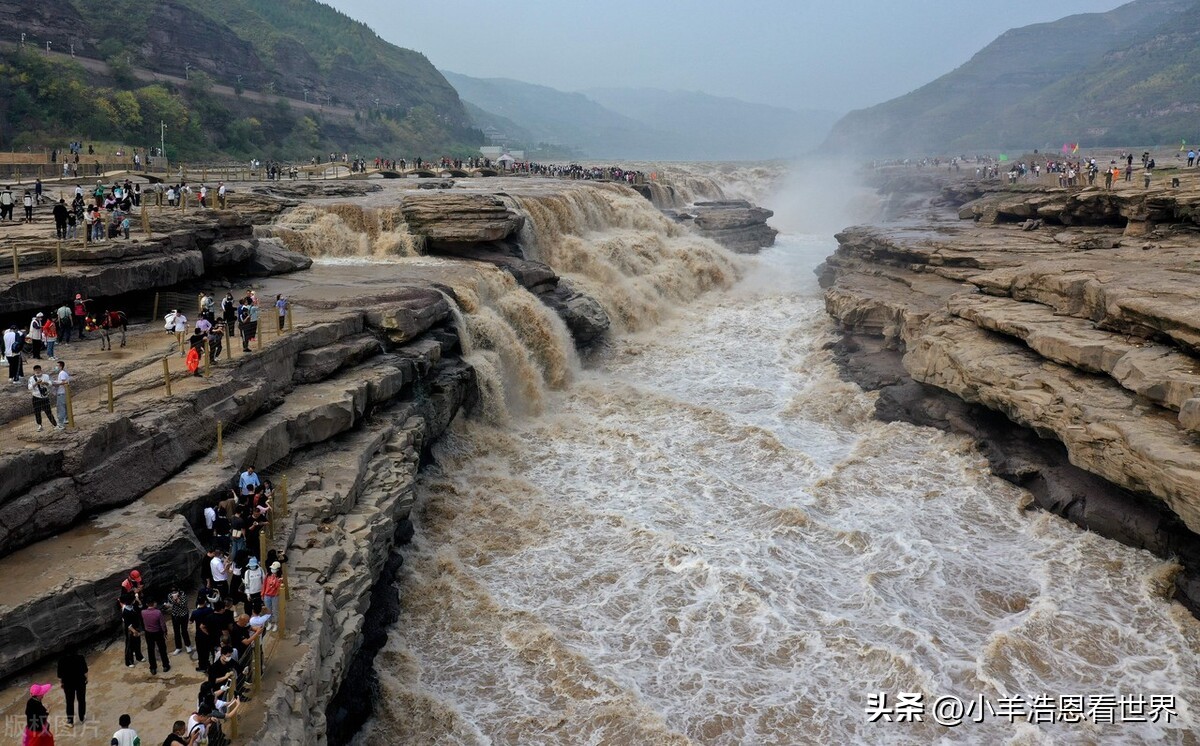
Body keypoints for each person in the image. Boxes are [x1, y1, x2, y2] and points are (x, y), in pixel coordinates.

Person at [56, 648, 87, 726]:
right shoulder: (80, 658)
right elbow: (85, 671)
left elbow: (60, 676)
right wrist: (86, 679)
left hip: (68, 684)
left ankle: (70, 721)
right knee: (81, 699)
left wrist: (62, 683)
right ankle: (82, 718)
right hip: (80, 682)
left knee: (69, 702)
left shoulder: (61, 661)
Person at [141, 598, 171, 675]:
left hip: (148, 633)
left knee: (150, 650)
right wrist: (165, 632)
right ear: (154, 603)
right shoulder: (158, 612)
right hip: (158, 632)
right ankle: (165, 665)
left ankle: (153, 668)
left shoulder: (143, 612)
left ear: (147, 604)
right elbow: (162, 624)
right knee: (162, 649)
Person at [28, 364, 58, 432]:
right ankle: (40, 425)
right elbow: (29, 387)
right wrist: (36, 383)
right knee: (37, 412)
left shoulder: (46, 376)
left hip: (45, 397)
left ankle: (55, 424)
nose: (37, 371)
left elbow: (50, 383)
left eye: (38, 370)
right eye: (36, 370)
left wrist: (45, 383)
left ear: (41, 370)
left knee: (48, 411)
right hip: (36, 397)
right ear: (34, 371)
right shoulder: (31, 378)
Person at [166, 584, 194, 655]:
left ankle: (188, 645)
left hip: (184, 614)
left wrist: (177, 599)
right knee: (176, 632)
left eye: (175, 591)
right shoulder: (169, 595)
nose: (174, 593)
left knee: (184, 631)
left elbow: (183, 605)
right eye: (172, 591)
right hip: (175, 615)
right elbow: (171, 604)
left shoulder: (183, 594)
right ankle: (178, 647)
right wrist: (174, 599)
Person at [122, 598, 145, 667]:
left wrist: (139, 601)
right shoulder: (125, 611)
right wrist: (134, 631)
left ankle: (139, 656)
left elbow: (140, 608)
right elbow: (127, 623)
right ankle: (129, 661)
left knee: (138, 642)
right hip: (130, 630)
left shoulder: (133, 607)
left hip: (136, 627)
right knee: (130, 645)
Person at [263, 561, 284, 631]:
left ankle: (275, 624)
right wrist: (263, 594)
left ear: (278, 569)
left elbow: (278, 588)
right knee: (268, 610)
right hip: (267, 595)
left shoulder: (280, 578)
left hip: (275, 596)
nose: (272, 570)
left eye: (274, 569)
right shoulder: (268, 575)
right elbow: (264, 585)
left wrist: (278, 581)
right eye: (272, 568)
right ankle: (269, 622)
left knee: (275, 610)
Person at [53, 360, 70, 427]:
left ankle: (61, 422)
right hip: (64, 392)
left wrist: (55, 383)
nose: (56, 367)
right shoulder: (63, 373)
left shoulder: (62, 373)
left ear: (60, 366)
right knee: (64, 407)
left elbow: (64, 382)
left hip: (62, 393)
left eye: (57, 366)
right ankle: (66, 419)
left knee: (61, 407)